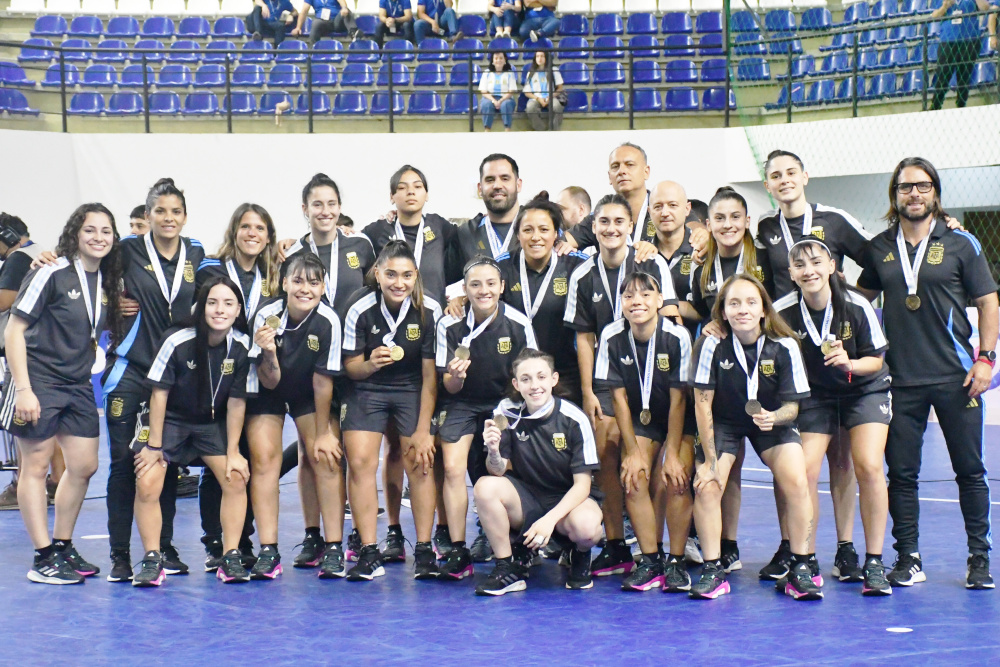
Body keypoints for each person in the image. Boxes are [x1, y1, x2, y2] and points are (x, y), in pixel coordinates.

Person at [856, 157, 998, 590]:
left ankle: (979, 557)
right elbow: (859, 303)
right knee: (901, 474)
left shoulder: (962, 243)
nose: (913, 194)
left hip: (957, 376)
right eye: (904, 187)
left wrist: (986, 358)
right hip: (899, 381)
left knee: (970, 471)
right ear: (894, 195)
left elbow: (989, 303)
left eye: (921, 186)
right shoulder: (880, 247)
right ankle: (908, 556)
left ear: (935, 191)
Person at [755, 149, 873, 581]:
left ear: (805, 176)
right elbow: (761, 291)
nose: (784, 180)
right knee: (793, 463)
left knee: (842, 461)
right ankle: (791, 547)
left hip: (836, 355)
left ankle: (845, 548)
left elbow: (879, 262)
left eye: (790, 172)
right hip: (793, 359)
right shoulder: (765, 229)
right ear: (767, 184)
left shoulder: (835, 219)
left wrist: (851, 309)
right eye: (775, 175)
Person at [1, 203, 123, 584]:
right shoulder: (50, 270)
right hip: (37, 380)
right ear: (76, 233)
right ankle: (42, 556)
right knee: (35, 467)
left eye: (106, 231)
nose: (98, 237)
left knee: (84, 465)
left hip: (78, 383)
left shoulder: (106, 280)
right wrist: (23, 389)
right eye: (91, 230)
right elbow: (13, 330)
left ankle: (63, 544)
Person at [563, 194, 676, 577]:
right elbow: (583, 338)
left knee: (653, 468)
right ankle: (616, 545)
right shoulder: (582, 273)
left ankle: (661, 550)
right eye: (603, 222)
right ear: (592, 228)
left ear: (631, 227)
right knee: (605, 455)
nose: (611, 228)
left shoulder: (649, 260)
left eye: (618, 221)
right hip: (609, 379)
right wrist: (589, 391)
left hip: (655, 380)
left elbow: (672, 312)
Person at [774, 239, 893, 596]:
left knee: (868, 465)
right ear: (792, 274)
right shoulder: (781, 311)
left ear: (831, 265)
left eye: (815, 261)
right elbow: (746, 325)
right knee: (806, 470)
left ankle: (872, 561)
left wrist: (850, 363)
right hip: (817, 397)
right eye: (799, 265)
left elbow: (877, 360)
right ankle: (805, 559)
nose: (808, 270)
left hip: (864, 388)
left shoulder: (856, 304)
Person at [689, 274, 819, 601]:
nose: (742, 309)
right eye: (734, 303)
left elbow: (793, 406)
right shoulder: (710, 344)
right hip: (724, 423)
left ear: (763, 310)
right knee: (707, 484)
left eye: (750, 302)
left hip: (771, 421)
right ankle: (713, 567)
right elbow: (702, 404)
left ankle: (802, 565)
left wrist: (775, 417)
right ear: (723, 310)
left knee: (797, 479)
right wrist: (709, 460)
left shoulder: (785, 345)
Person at [101, 178, 205, 583]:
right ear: (147, 216)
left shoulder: (196, 252)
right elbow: (85, 265)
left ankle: (160, 548)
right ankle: (120, 556)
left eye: (175, 211)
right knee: (125, 465)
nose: (168, 218)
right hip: (133, 371)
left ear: (184, 216)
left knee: (164, 463)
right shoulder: (125, 251)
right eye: (160, 211)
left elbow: (231, 273)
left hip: (174, 378)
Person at [132, 276, 254, 586]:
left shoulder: (240, 347)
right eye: (212, 303)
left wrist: (234, 451)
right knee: (148, 480)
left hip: (209, 426)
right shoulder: (176, 340)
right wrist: (154, 447)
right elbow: (158, 394)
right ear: (201, 307)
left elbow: (237, 402)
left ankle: (230, 556)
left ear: (238, 310)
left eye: (228, 304)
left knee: (236, 478)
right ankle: (151, 557)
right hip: (169, 420)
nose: (219, 310)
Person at [342, 241, 442, 581]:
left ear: (416, 277)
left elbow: (431, 377)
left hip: (413, 387)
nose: (398, 282)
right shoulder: (359, 307)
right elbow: (350, 367)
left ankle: (425, 550)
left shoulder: (430, 309)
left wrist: (424, 429)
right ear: (377, 274)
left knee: (420, 460)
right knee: (359, 462)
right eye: (391, 274)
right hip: (367, 387)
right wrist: (369, 364)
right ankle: (369, 550)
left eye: (406, 275)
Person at [435, 256, 537, 580]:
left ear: (502, 287)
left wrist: (514, 410)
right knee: (452, 467)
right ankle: (458, 549)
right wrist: (456, 377)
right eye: (475, 284)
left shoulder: (519, 323)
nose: (484, 290)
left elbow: (532, 375)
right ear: (464, 289)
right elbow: (447, 386)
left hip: (503, 403)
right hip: (461, 402)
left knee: (502, 471)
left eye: (491, 283)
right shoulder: (448, 324)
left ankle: (517, 544)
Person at [195, 203, 281, 570]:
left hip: (260, 375)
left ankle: (242, 540)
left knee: (248, 459)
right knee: (219, 462)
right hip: (219, 375)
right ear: (234, 231)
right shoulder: (211, 269)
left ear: (268, 236)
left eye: (260, 228)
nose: (252, 234)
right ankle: (215, 541)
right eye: (246, 226)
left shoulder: (274, 275)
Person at [247, 253, 344, 580]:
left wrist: (323, 434)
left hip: (308, 390)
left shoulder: (328, 320)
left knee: (324, 456)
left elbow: (322, 380)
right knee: (264, 461)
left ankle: (331, 546)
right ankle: (269, 550)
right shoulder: (266, 314)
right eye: (298, 280)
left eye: (314, 282)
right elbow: (268, 379)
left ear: (322, 287)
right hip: (268, 390)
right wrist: (270, 352)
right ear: (284, 283)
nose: (305, 289)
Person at [594, 271, 693, 592]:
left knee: (675, 478)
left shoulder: (677, 336)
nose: (637, 301)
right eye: (629, 296)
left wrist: (673, 455)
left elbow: (679, 402)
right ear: (621, 303)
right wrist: (634, 451)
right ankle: (651, 560)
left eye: (645, 295)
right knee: (633, 477)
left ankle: (676, 561)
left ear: (659, 300)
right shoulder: (611, 335)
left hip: (680, 418)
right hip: (640, 418)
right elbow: (619, 400)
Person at [474, 349, 602, 595]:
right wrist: (492, 451)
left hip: (569, 501)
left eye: (541, 377)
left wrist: (549, 521)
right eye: (526, 379)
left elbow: (582, 486)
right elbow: (497, 471)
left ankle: (580, 554)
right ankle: (506, 566)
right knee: (485, 486)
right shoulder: (506, 411)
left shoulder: (574, 418)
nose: (534, 385)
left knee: (586, 527)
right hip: (527, 498)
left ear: (553, 379)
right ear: (516, 384)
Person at [497, 192, 588, 405]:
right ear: (518, 235)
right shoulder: (501, 267)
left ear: (557, 234)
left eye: (544, 230)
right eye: (527, 230)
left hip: (564, 375)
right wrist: (459, 299)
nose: (535, 237)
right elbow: (475, 285)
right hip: (516, 376)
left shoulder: (576, 264)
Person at [361, 165, 462, 305]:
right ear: (392, 196)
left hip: (433, 315)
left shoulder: (438, 226)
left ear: (426, 195)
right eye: (402, 188)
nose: (410, 192)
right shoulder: (378, 230)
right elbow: (351, 243)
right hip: (391, 315)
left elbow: (469, 237)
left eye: (418, 187)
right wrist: (343, 229)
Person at [283, 173, 376, 316]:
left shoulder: (360, 244)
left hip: (355, 336)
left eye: (331, 204)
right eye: (317, 205)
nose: (325, 212)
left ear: (339, 207)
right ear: (305, 209)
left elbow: (375, 292)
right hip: (314, 337)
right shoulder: (292, 255)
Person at [684, 187, 774, 328]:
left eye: (735, 217)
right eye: (719, 218)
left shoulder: (765, 255)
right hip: (723, 345)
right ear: (708, 225)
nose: (727, 225)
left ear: (747, 221)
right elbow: (701, 311)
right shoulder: (700, 264)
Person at [455, 154, 523, 267]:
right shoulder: (466, 233)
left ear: (518, 185)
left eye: (505, 179)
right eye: (490, 180)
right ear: (480, 188)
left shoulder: (541, 227)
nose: (497, 185)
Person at [929, 0, 993, 110]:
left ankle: (961, 104)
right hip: (948, 39)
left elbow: (985, 7)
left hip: (969, 40)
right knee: (943, 73)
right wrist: (944, 7)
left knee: (964, 74)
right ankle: (936, 104)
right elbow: (934, 16)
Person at [524, 50, 564, 132]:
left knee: (557, 107)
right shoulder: (531, 73)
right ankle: (541, 130)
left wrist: (551, 96)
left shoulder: (553, 70)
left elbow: (560, 88)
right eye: (537, 56)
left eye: (542, 56)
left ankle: (553, 130)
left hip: (551, 97)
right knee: (530, 108)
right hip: (536, 98)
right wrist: (538, 98)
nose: (540, 58)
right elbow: (527, 92)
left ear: (546, 58)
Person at [478, 51, 518, 133]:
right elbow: (483, 91)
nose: (498, 60)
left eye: (501, 58)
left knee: (506, 105)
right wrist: (493, 100)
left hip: (506, 98)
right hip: (489, 98)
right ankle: (487, 130)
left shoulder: (510, 73)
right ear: (492, 61)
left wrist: (500, 101)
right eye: (496, 58)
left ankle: (507, 130)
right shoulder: (487, 73)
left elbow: (511, 91)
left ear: (505, 60)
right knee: (486, 105)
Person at [292, 0, 359, 46]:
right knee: (316, 23)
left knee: (346, 10)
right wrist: (298, 27)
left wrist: (344, 8)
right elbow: (304, 11)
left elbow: (342, 2)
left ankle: (353, 33)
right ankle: (314, 49)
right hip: (324, 23)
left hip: (337, 22)